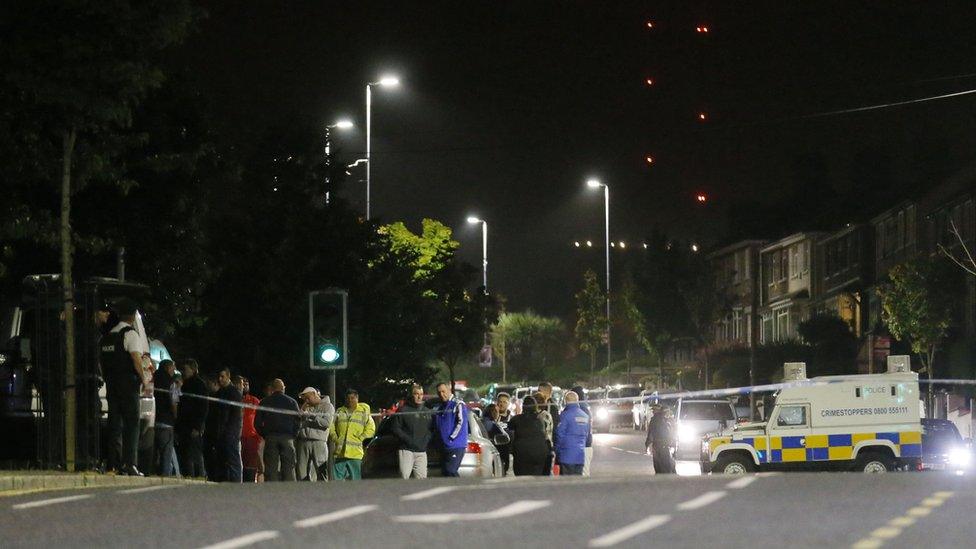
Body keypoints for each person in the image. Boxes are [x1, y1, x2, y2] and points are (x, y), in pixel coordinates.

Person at [99, 297, 147, 476]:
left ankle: (113, 463)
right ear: (134, 315)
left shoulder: (108, 336)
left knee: (114, 424)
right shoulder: (130, 334)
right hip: (128, 386)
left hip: (112, 385)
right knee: (132, 425)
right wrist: (143, 378)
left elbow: (102, 363)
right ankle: (130, 464)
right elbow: (136, 359)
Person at [255, 378, 301, 481]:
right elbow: (298, 421)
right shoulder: (292, 402)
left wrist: (265, 434)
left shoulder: (264, 402)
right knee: (289, 468)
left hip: (271, 438)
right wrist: (293, 434)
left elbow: (257, 423)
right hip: (287, 438)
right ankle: (289, 492)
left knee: (271, 469)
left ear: (272, 389)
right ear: (283, 388)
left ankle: (272, 493)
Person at [330, 389, 376, 480]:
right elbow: (331, 426)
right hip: (340, 453)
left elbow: (371, 429)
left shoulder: (363, 411)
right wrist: (335, 438)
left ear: (357, 398)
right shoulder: (339, 411)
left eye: (352, 398)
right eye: (348, 398)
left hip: (355, 454)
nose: (350, 400)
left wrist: (361, 438)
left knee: (355, 481)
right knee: (337, 481)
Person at [390, 384, 434, 479]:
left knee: (422, 480)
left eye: (421, 394)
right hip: (406, 450)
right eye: (416, 394)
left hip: (421, 451)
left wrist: (425, 441)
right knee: (404, 477)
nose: (419, 396)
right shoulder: (402, 410)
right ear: (411, 395)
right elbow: (395, 428)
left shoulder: (427, 412)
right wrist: (409, 440)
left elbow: (431, 429)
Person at [175, 359, 208, 478]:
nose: (184, 371)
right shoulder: (185, 383)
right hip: (184, 424)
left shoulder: (199, 385)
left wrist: (198, 426)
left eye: (187, 369)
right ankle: (188, 475)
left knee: (194, 452)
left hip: (193, 425)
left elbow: (203, 407)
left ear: (193, 370)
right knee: (185, 451)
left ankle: (198, 476)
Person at [296, 387, 335, 481]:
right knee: (302, 471)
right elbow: (298, 423)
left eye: (308, 398)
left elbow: (326, 423)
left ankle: (323, 492)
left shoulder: (328, 406)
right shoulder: (306, 406)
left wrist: (312, 416)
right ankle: (304, 492)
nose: (306, 400)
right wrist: (301, 414)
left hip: (319, 442)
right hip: (304, 441)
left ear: (314, 394)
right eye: (304, 399)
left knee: (321, 470)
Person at [507, 395, 550, 476]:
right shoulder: (540, 420)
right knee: (537, 476)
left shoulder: (516, 419)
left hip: (522, 453)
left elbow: (509, 431)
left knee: (522, 476)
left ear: (523, 406)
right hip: (539, 452)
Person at [215, 368, 244, 482]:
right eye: (219, 376)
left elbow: (237, 415)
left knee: (233, 459)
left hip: (230, 432)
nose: (220, 379)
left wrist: (234, 431)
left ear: (228, 377)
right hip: (222, 431)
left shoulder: (233, 392)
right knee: (222, 459)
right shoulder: (221, 392)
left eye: (222, 376)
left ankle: (236, 483)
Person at [434, 382, 468, 477]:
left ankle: (460, 490)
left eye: (443, 391)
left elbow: (461, 422)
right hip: (444, 446)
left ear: (449, 390)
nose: (441, 394)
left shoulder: (458, 404)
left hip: (456, 445)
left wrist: (451, 437)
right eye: (439, 392)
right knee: (445, 473)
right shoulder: (440, 408)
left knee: (451, 470)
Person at [152, 359, 179, 476]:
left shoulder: (153, 379)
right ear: (168, 368)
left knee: (155, 453)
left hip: (153, 420)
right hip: (167, 422)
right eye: (173, 368)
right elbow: (174, 402)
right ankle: (165, 478)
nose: (174, 370)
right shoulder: (171, 383)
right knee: (166, 455)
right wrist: (177, 417)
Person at [554, 391, 589, 475]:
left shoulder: (565, 415)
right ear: (577, 400)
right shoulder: (585, 416)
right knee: (577, 484)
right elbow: (586, 435)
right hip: (580, 456)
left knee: (566, 484)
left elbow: (559, 434)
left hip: (566, 455)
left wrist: (557, 450)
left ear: (566, 401)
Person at [238, 377, 264, 482]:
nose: (245, 386)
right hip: (237, 437)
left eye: (247, 384)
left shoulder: (254, 401)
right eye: (243, 384)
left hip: (251, 438)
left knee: (250, 465)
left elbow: (260, 420)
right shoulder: (235, 399)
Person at [570, 385, 594, 476]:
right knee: (584, 472)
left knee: (582, 473)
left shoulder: (580, 409)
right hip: (586, 444)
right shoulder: (585, 409)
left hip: (582, 445)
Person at [645, 404, 675, 474]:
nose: (653, 412)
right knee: (665, 463)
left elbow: (651, 433)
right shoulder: (665, 420)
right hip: (663, 444)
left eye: (654, 410)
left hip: (659, 444)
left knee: (660, 464)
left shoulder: (656, 420)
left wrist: (647, 444)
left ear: (658, 410)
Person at [495, 393, 513, 475]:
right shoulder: (491, 418)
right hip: (495, 450)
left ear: (509, 403)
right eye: (500, 401)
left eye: (504, 402)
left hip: (508, 452)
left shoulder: (512, 419)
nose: (501, 404)